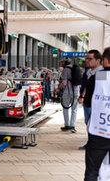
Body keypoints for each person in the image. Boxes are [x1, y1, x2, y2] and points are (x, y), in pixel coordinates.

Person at [84, 47, 110, 181]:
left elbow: (87, 102)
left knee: (92, 171)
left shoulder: (96, 78)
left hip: (99, 131)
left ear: (105, 60)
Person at [77, 50, 102, 150]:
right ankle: (91, 143)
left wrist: (83, 96)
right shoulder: (89, 72)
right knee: (88, 123)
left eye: (89, 59)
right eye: (86, 58)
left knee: (93, 123)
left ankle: (94, 144)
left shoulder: (101, 73)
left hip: (95, 104)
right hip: (88, 102)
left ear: (98, 60)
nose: (86, 61)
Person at [56, 58, 80, 133]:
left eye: (62, 62)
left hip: (68, 91)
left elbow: (64, 83)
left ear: (66, 62)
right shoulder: (75, 68)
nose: (61, 63)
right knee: (74, 109)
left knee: (65, 108)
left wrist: (58, 88)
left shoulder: (65, 70)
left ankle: (67, 125)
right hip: (76, 91)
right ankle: (72, 126)